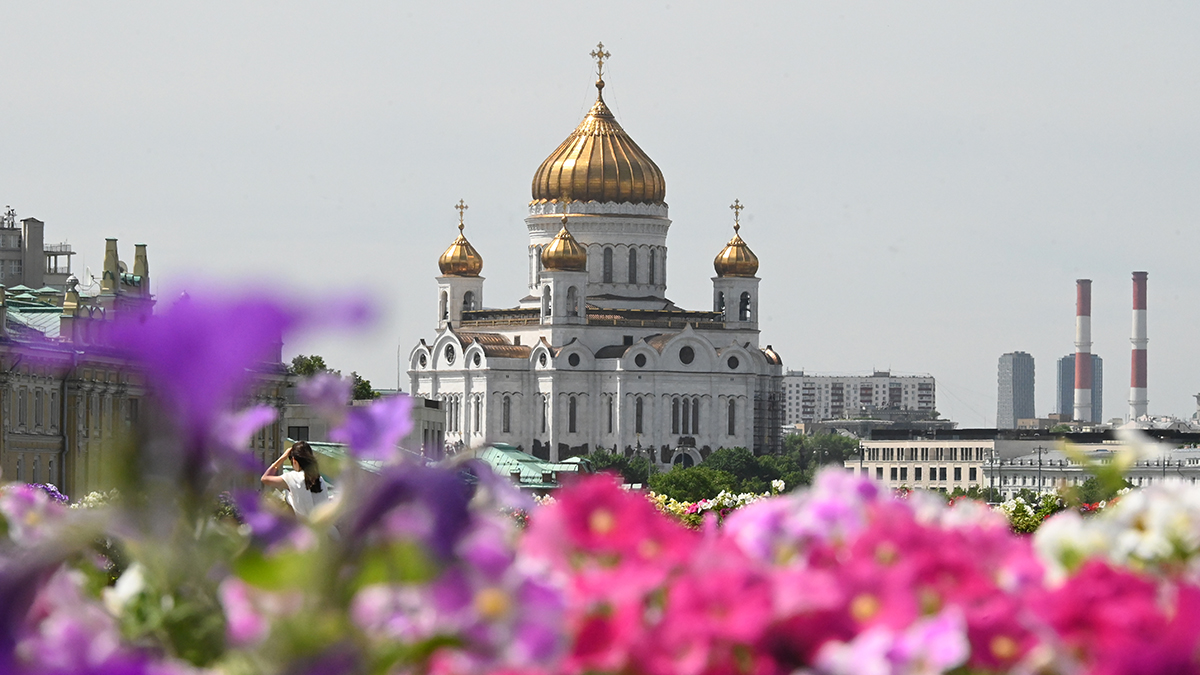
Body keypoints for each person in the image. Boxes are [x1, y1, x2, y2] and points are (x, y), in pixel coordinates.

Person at [260, 441, 331, 519]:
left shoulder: (293, 478)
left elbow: (265, 478)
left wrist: (283, 458)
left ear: (294, 460)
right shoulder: (320, 479)